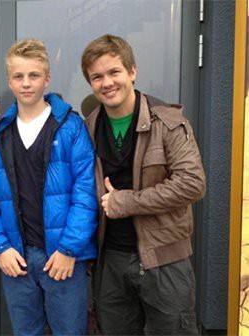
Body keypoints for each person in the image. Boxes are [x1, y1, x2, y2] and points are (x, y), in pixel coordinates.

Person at [81, 34, 206, 335]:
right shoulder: (87, 128)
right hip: (110, 262)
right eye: (97, 77)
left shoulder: (168, 122)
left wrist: (126, 202)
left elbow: (192, 183)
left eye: (114, 72)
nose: (107, 83)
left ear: (132, 71)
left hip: (165, 259)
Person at [0, 39, 98, 335]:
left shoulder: (71, 127)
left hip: (62, 259)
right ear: (9, 81)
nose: (26, 84)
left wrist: (69, 248)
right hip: (16, 258)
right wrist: (0, 247)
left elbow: (86, 193)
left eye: (34, 76)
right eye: (19, 76)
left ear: (47, 79)